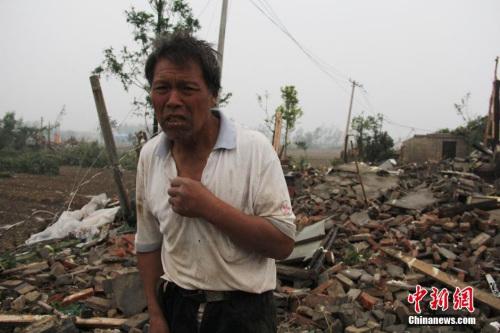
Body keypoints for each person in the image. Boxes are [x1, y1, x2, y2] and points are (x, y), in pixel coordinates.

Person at [135, 32, 296, 333]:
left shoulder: (253, 150)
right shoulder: (150, 157)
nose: (172, 101)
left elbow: (283, 243)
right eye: (162, 88)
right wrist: (156, 314)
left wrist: (208, 207)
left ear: (212, 95)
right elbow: (148, 244)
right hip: (177, 308)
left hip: (243, 314)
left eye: (187, 88)